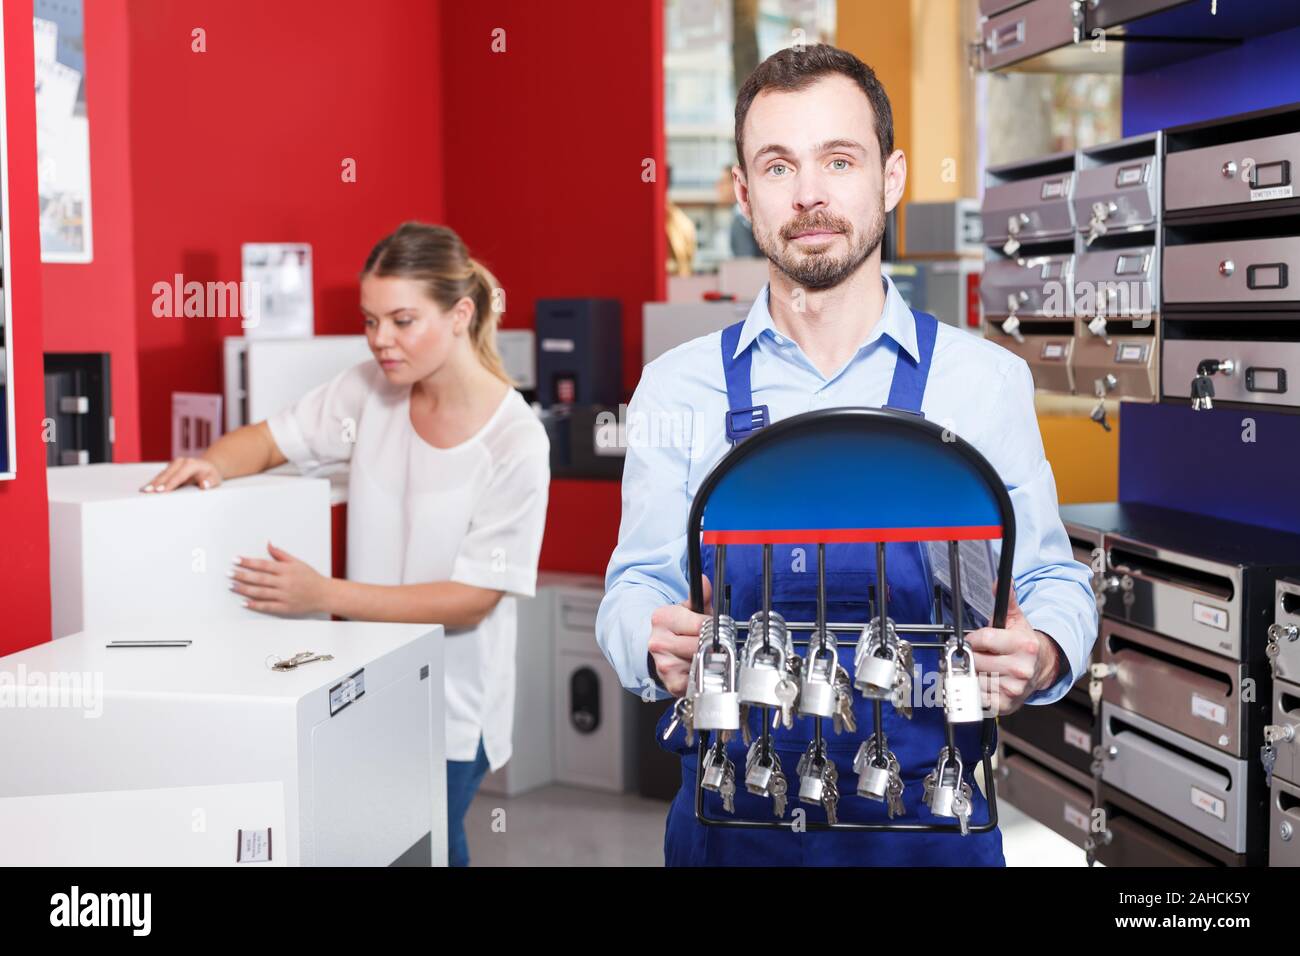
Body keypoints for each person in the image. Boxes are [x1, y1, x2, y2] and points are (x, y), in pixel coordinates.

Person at [596, 45, 1097, 866]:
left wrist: (1041, 653)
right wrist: (650, 641)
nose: (811, 194)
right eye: (778, 165)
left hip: (936, 829)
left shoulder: (984, 384)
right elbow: (635, 587)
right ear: (743, 192)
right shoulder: (674, 390)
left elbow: (1049, 581)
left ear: (891, 178)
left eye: (839, 158)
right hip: (732, 831)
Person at [141, 222, 551, 867]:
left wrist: (322, 594)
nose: (380, 339)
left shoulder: (515, 441)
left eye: (402, 320)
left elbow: (473, 599)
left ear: (460, 314)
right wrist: (209, 464)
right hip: (364, 684)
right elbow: (270, 439)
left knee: (426, 844)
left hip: (451, 707)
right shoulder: (368, 389)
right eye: (370, 320)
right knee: (382, 847)